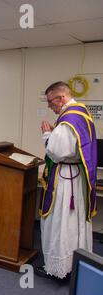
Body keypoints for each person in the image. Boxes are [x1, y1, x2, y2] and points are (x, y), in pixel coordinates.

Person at [37, 81, 96, 280]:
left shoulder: (69, 118)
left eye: (51, 101)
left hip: (65, 180)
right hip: (76, 178)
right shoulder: (82, 113)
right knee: (74, 223)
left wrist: (47, 135)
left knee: (61, 222)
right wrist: (56, 133)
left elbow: (58, 151)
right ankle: (75, 264)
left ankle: (58, 268)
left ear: (61, 98)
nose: (49, 106)